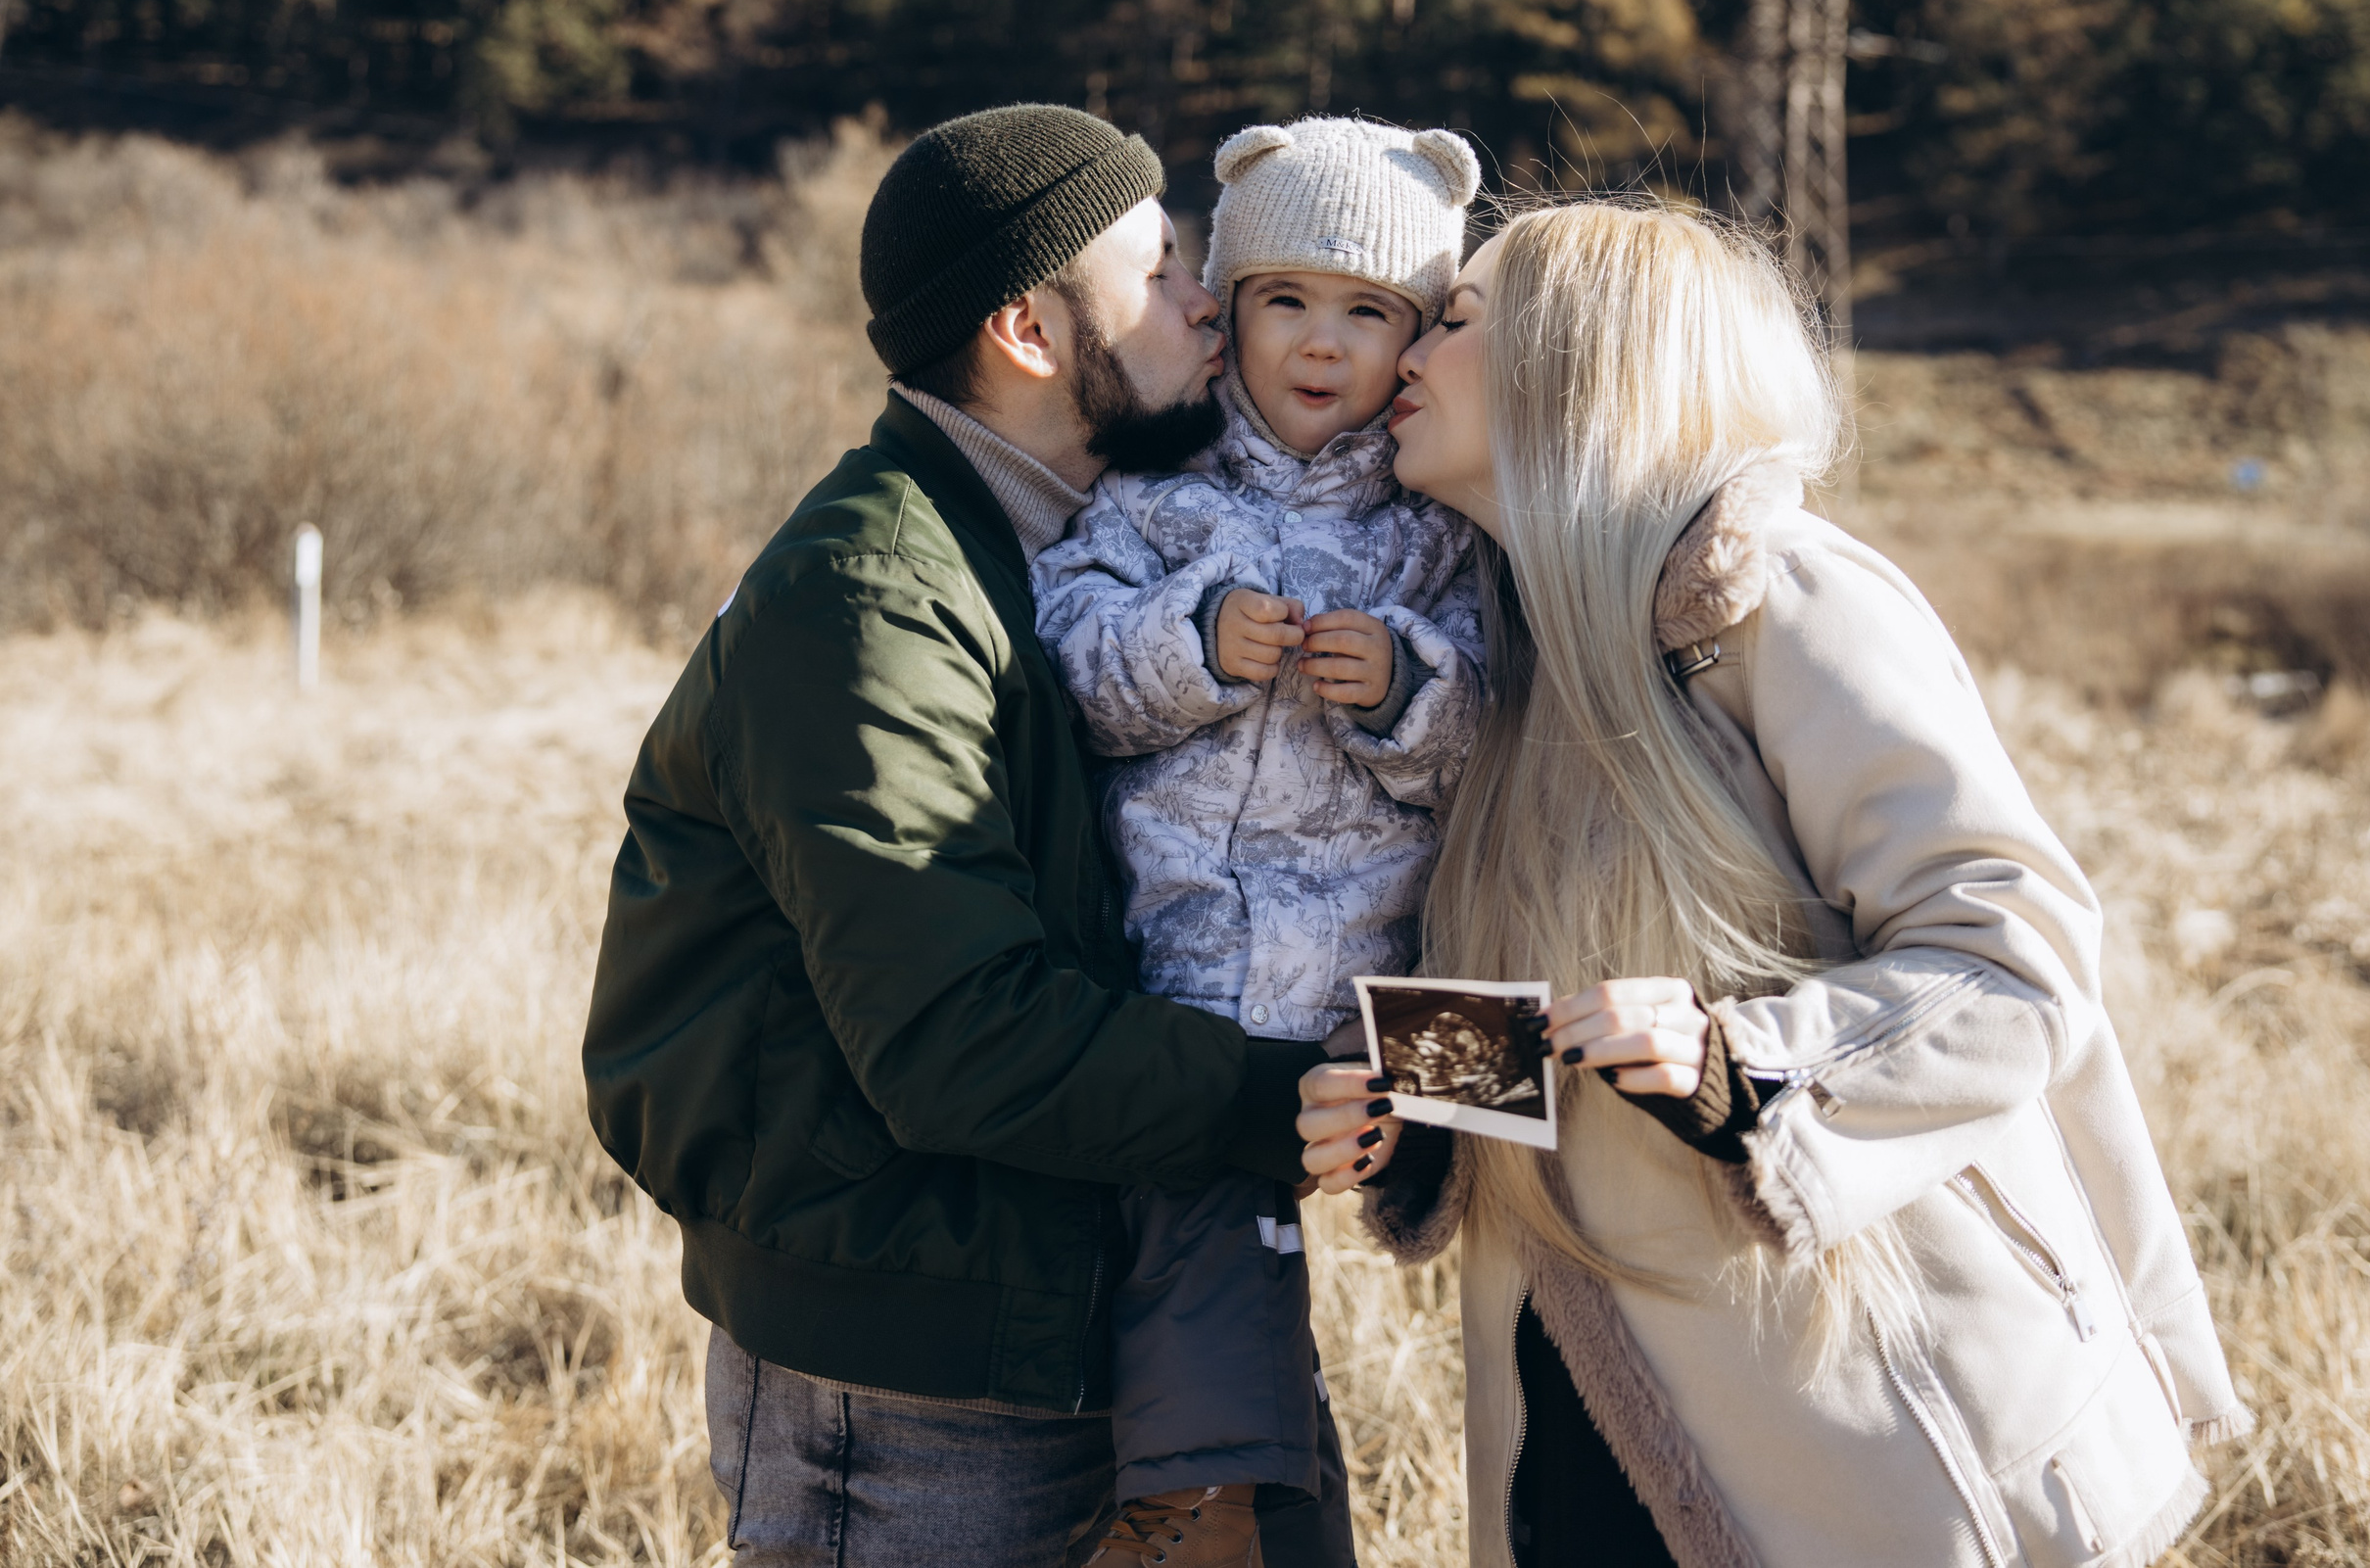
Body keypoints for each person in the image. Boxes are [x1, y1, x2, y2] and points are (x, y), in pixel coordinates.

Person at [1296, 201, 2251, 1568]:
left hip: (1867, 1433)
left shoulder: (1784, 600)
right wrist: (1396, 1085)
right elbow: (1581, 1037)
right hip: (1585, 1417)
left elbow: (2017, 958)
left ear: (1581, 360)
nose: (1403, 352)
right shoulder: (1509, 670)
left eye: (1454, 320)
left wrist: (1746, 1061)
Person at [582, 104, 1329, 1568]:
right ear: (1031, 332)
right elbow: (958, 1037)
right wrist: (1273, 1095)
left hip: (1052, 1285)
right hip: (915, 1369)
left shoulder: (1065, 554)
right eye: (1164, 265)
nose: (1208, 307)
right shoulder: (870, 600)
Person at [1031, 117, 1486, 1567]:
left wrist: (1411, 689)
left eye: (1369, 313)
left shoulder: (1437, 527)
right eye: (1288, 299)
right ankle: (1204, 1511)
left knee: (1532, 1152)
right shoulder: (1156, 498)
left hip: (1381, 993)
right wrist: (1191, 646)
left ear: (1413, 340)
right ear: (1225, 316)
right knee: (1213, 1231)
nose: (1322, 342)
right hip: (1190, 979)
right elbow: (1071, 667)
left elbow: (1496, 736)